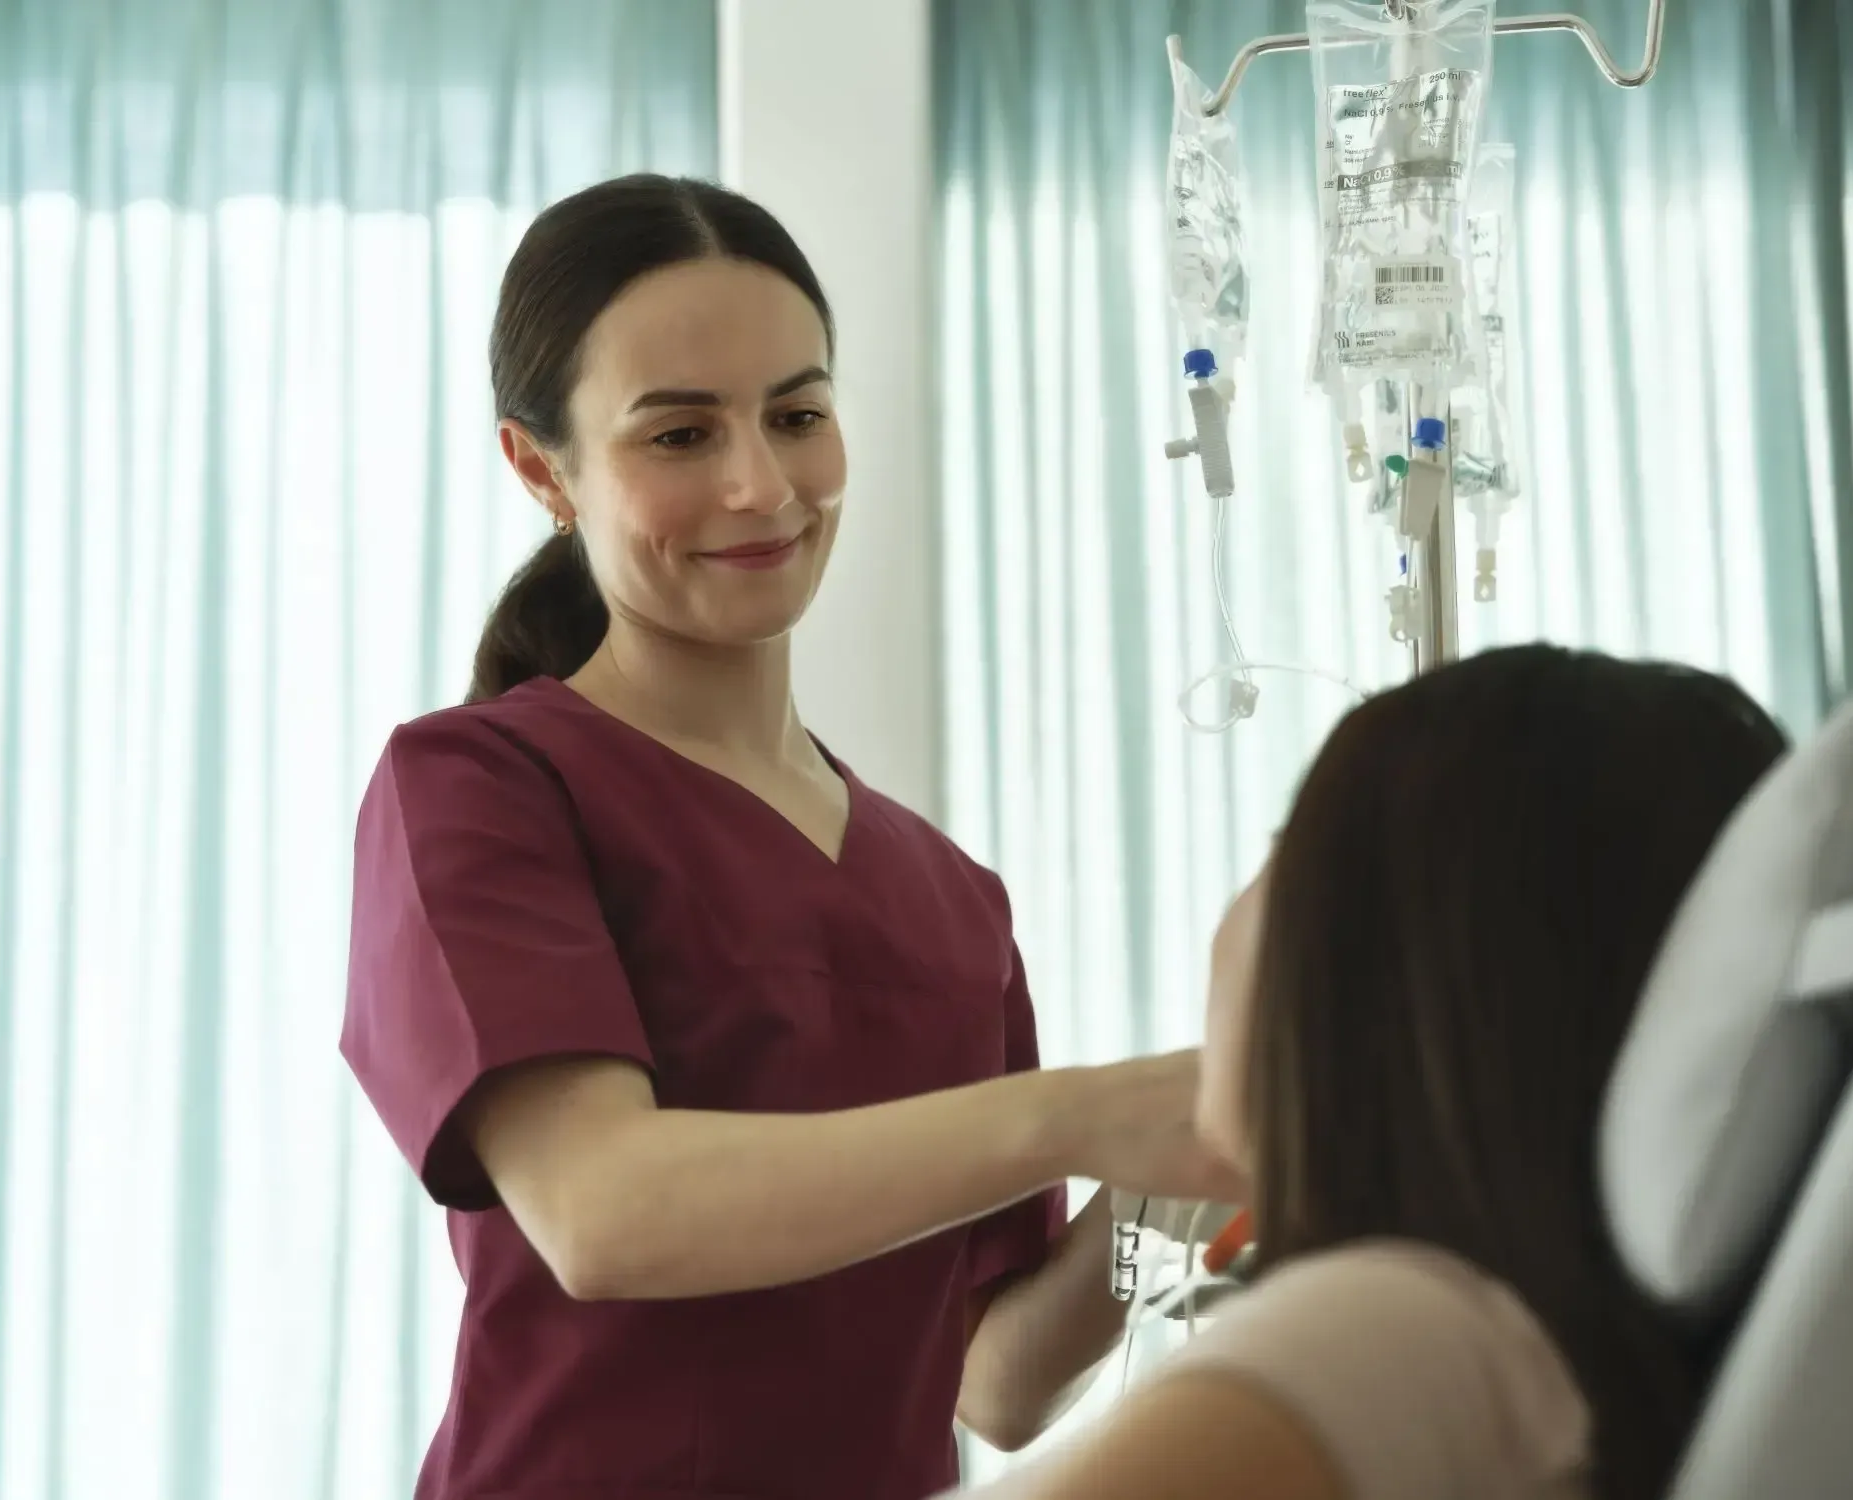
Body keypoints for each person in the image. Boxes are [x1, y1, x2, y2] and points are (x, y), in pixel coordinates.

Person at [340, 173, 1240, 1500]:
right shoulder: (481, 785)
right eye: (680, 436)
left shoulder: (950, 896)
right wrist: (1083, 1113)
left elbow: (999, 1381)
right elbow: (608, 1214)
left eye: (798, 415)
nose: (763, 485)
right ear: (543, 469)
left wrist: (1178, 1191)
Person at [960, 645, 1787, 1500]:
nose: (1227, 921)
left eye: (1284, 852)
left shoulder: (1400, 1327)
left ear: (1371, 970)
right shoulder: (1531, 1346)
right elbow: (998, 1394)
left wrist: (1056, 1115)